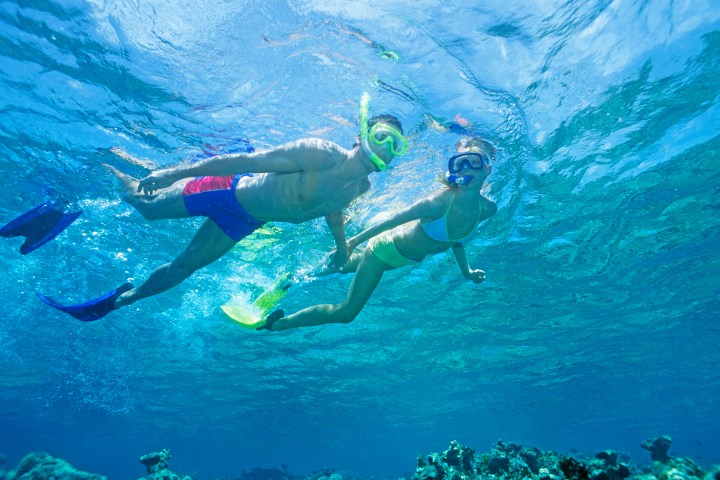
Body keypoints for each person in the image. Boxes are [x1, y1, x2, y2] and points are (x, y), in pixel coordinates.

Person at [37, 94, 409, 321]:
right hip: (226, 190)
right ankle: (109, 164)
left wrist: (342, 247)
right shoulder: (319, 154)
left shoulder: (360, 186)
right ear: (361, 134)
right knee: (145, 208)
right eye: (382, 138)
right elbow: (238, 161)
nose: (386, 150)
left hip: (245, 221)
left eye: (396, 148)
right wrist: (173, 173)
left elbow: (334, 212)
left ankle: (120, 300)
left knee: (182, 270)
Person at [259, 136, 498, 331]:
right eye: (459, 163)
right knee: (347, 313)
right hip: (382, 251)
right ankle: (277, 324)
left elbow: (456, 241)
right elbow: (394, 220)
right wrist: (351, 242)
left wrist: (466, 271)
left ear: (487, 169)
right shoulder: (439, 202)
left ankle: (290, 280)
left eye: (473, 162)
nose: (465, 168)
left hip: (401, 259)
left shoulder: (487, 209)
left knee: (338, 267)